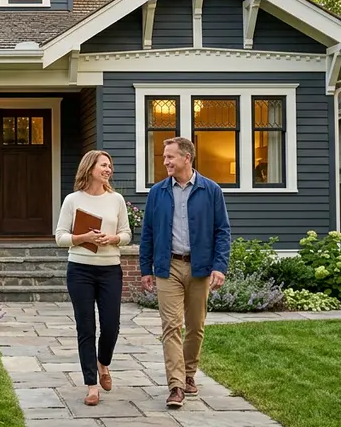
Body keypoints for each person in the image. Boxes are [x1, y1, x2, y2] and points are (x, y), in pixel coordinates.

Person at [138, 137, 230, 409]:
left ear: (186, 158)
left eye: (170, 157)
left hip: (200, 267)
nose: (165, 161)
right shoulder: (158, 192)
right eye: (164, 157)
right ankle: (176, 385)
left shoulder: (211, 190)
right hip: (169, 267)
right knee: (170, 326)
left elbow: (222, 232)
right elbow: (148, 233)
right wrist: (146, 268)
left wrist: (219, 266)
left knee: (196, 327)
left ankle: (189, 373)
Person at [55, 150, 132, 407]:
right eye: (103, 165)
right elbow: (60, 237)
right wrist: (84, 238)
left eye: (110, 165)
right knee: (86, 327)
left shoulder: (117, 200)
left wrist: (113, 239)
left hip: (110, 269)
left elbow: (127, 234)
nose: (108, 169)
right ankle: (91, 385)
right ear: (90, 169)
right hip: (80, 270)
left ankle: (103, 363)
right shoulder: (72, 200)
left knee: (111, 325)